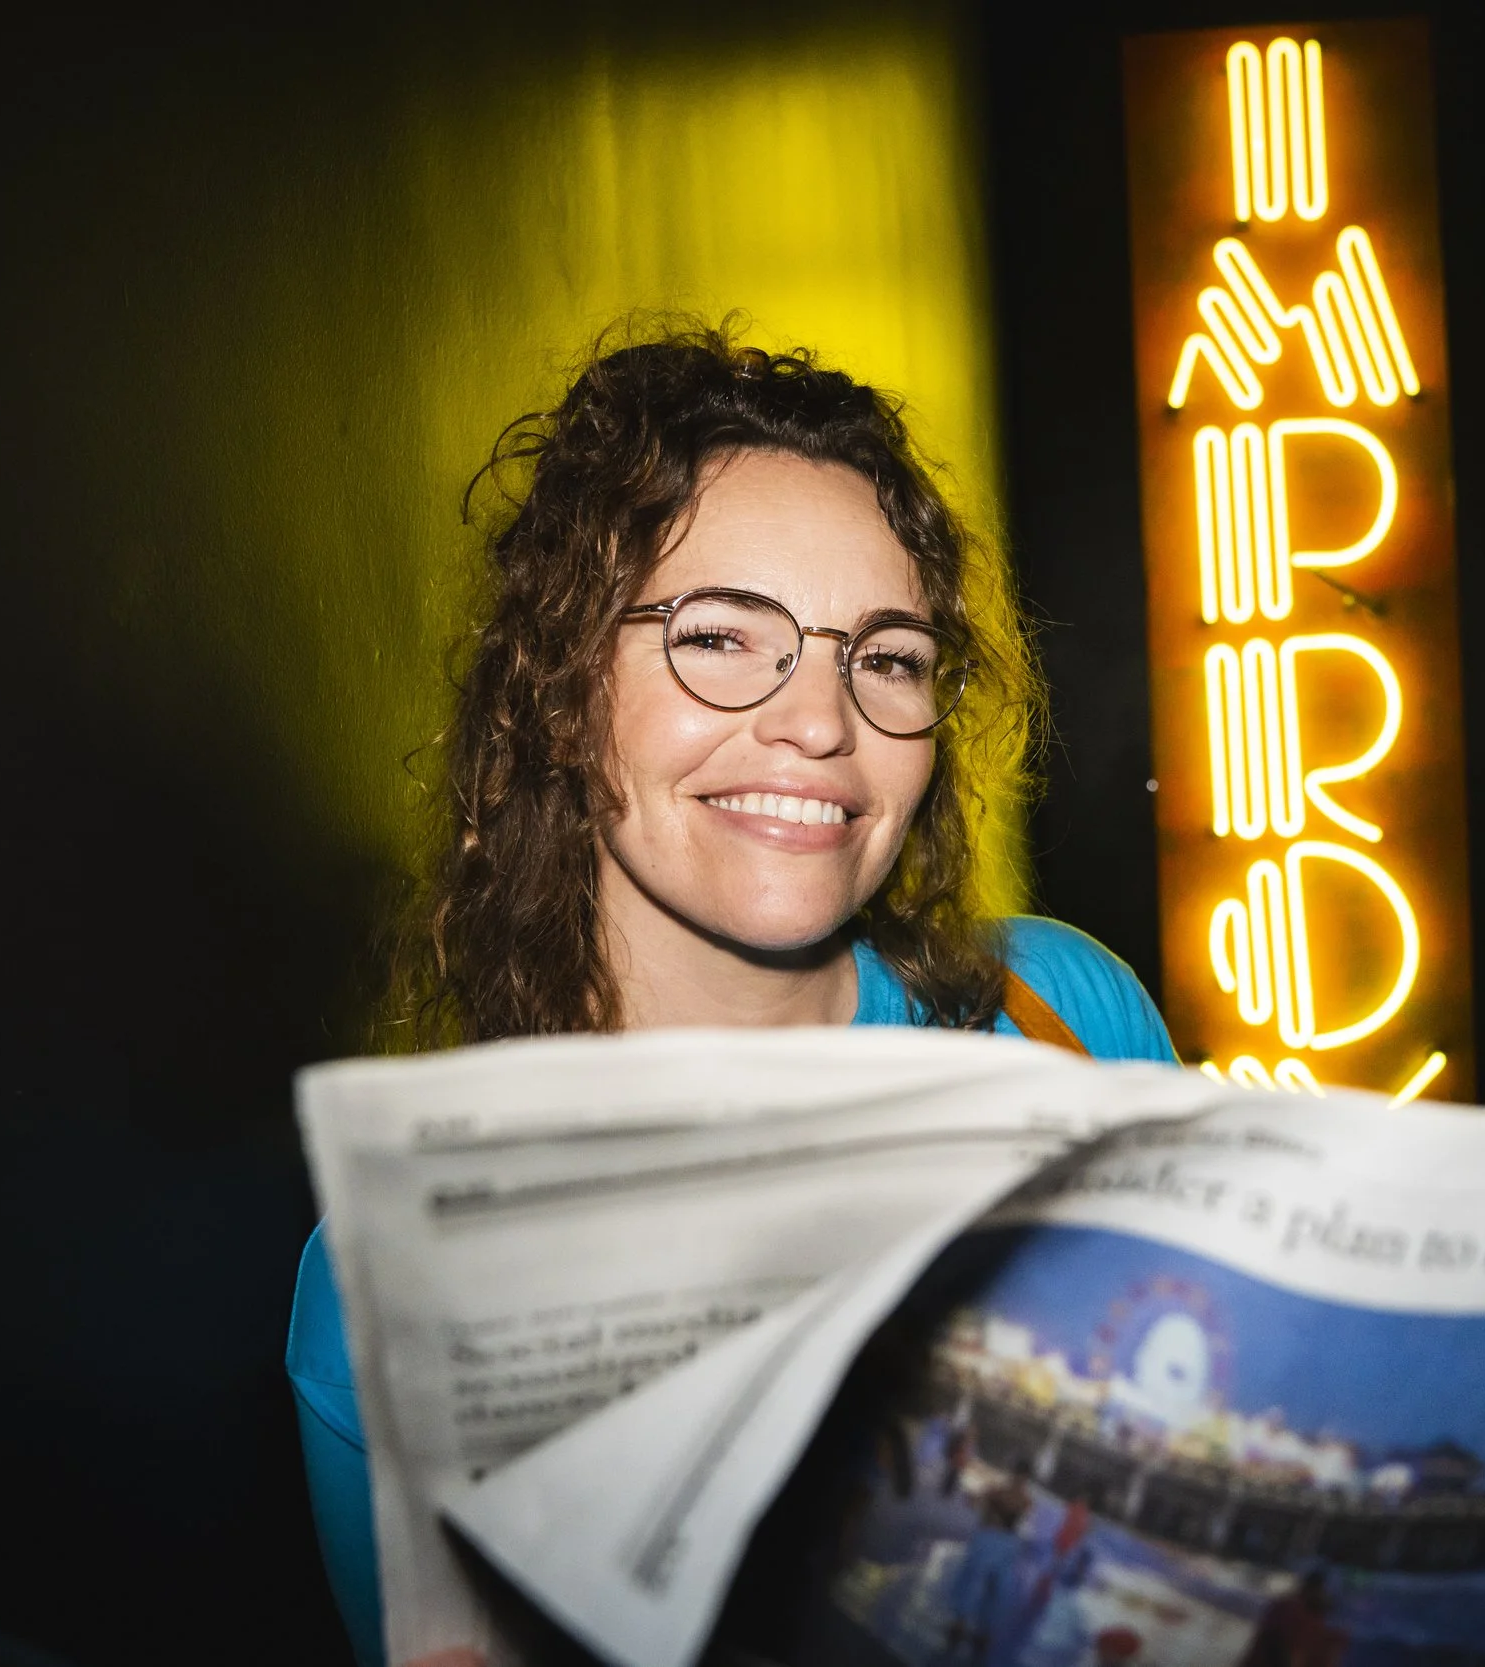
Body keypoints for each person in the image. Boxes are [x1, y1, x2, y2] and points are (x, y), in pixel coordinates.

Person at [284, 320, 1176, 1667]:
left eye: (885, 657)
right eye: (720, 636)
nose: (821, 721)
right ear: (569, 688)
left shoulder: (1065, 1011)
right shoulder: (401, 1279)